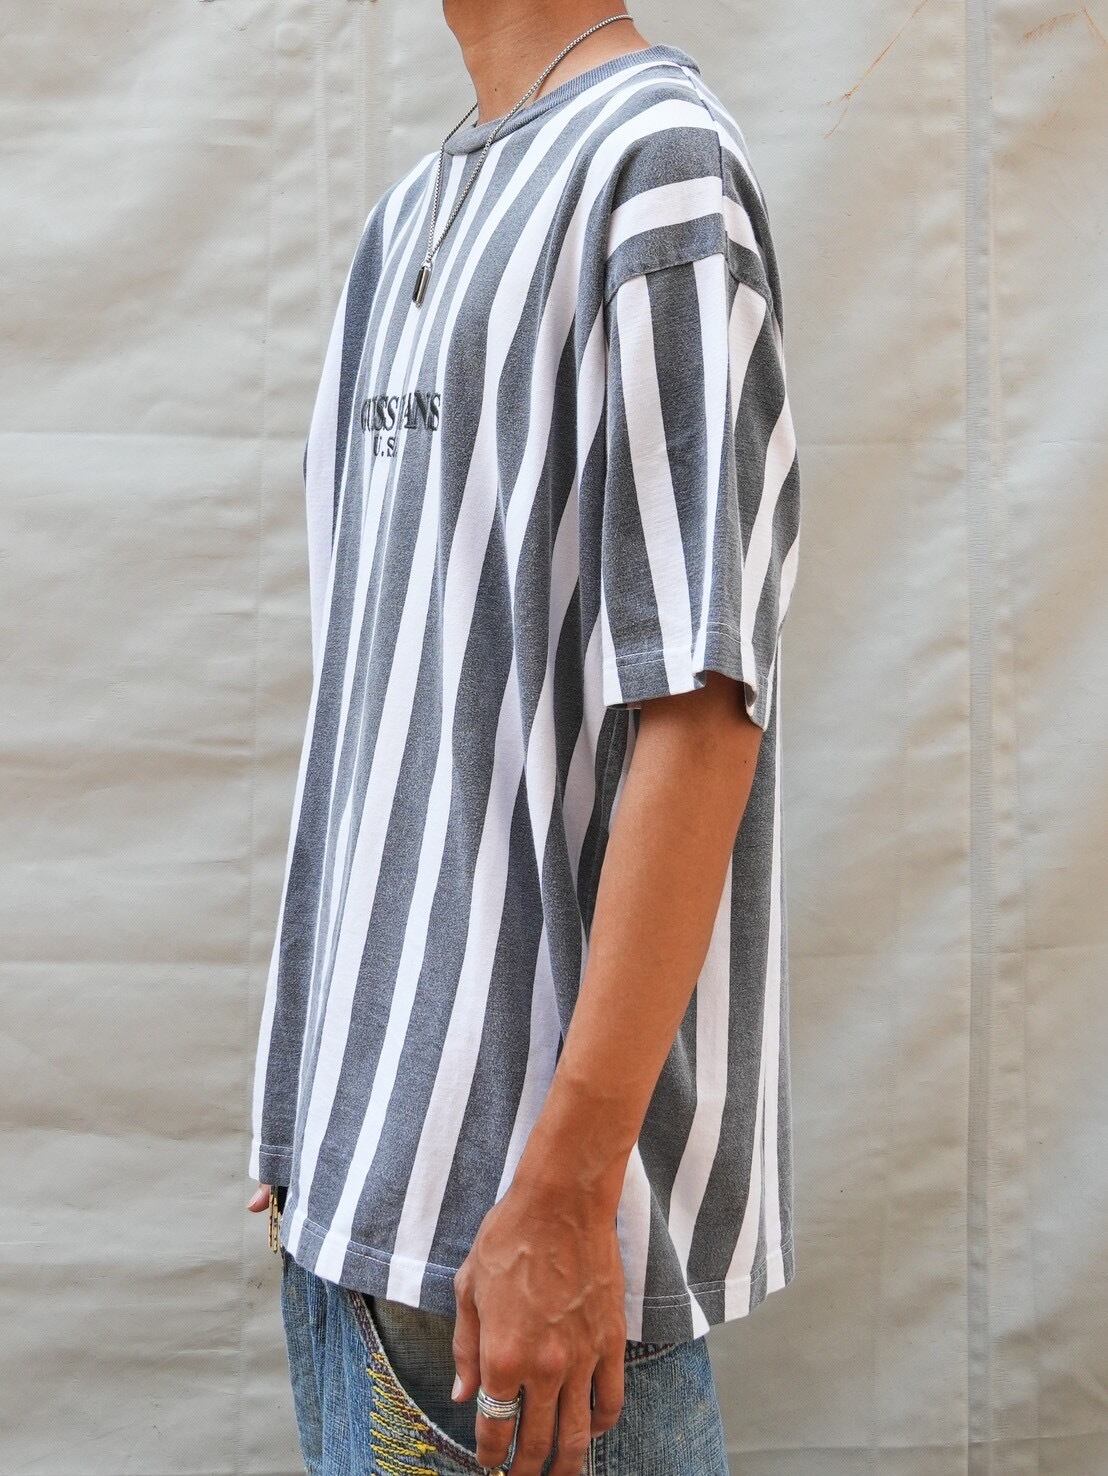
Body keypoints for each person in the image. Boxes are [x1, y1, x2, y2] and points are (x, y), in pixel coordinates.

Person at [247, 3, 802, 1472]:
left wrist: (564, 1195)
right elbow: (391, 699)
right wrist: (315, 1094)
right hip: (356, 1231)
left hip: (522, 1261)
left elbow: (702, 705)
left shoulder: (657, 166)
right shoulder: (412, 212)